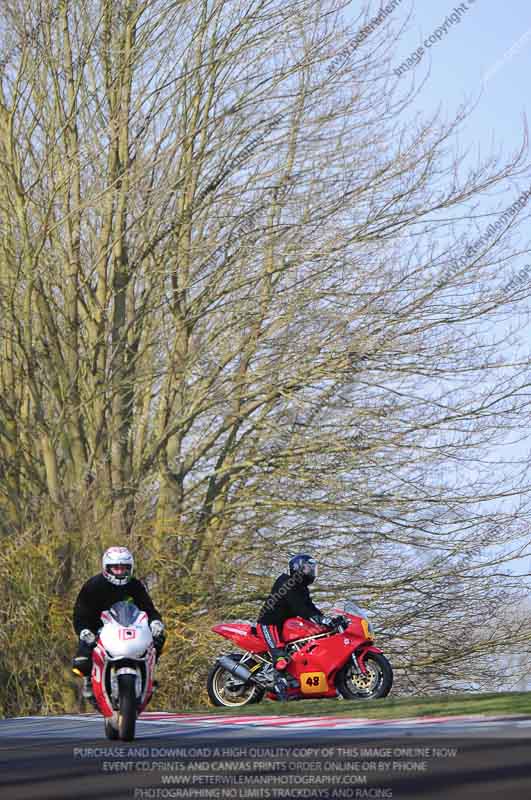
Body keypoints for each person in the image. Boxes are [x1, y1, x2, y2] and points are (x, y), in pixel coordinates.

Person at [72, 546, 165, 702]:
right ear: (107, 568)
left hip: (129, 628)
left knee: (159, 638)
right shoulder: (93, 585)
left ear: (130, 568)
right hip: (98, 629)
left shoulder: (135, 585)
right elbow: (80, 613)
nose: (120, 572)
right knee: (82, 659)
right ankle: (89, 678)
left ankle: (150, 672)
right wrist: (84, 630)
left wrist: (155, 622)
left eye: (124, 568)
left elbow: (148, 608)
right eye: (116, 568)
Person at [256, 553, 339, 701]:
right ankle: (279, 688)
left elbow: (310, 607)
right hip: (269, 624)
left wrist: (326, 620)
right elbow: (300, 608)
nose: (311, 572)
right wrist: (319, 619)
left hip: (283, 626)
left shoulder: (301, 588)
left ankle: (294, 683)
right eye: (308, 568)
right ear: (297, 568)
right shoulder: (286, 583)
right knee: (281, 658)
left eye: (312, 569)